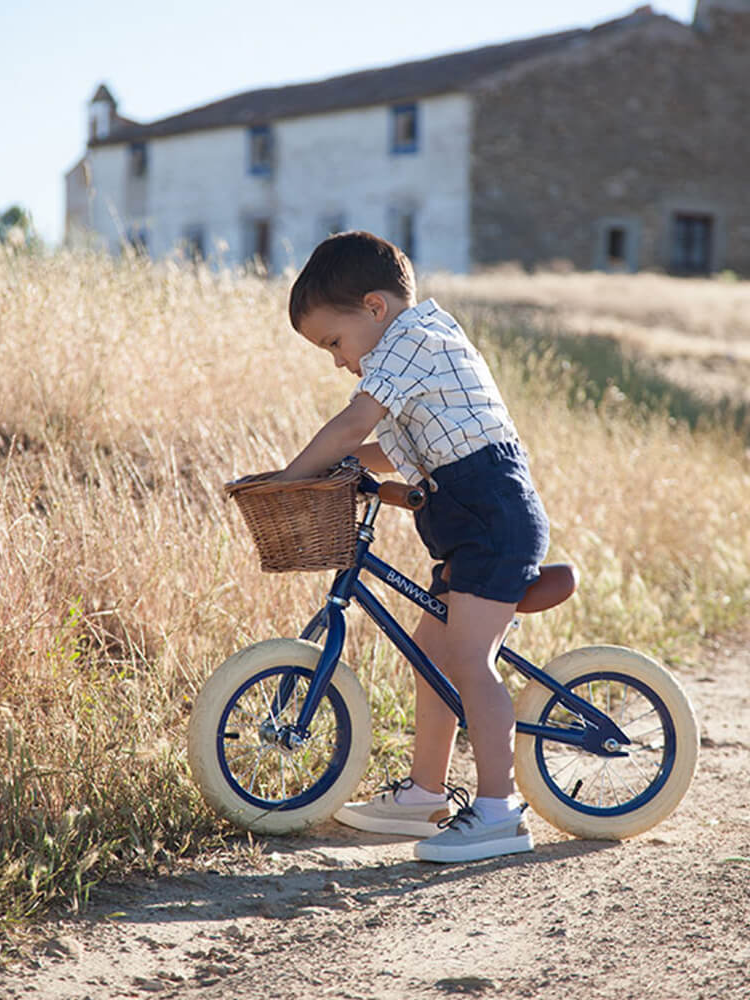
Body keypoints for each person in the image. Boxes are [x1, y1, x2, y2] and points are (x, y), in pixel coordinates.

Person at [273, 231, 550, 863]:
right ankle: (426, 794)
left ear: (375, 308)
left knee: (470, 658)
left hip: (494, 520)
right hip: (469, 523)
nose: (340, 362)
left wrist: (288, 481)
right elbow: (379, 449)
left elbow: (351, 427)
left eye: (333, 344)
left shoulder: (416, 339)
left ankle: (499, 813)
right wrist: (334, 473)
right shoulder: (404, 355)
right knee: (431, 653)